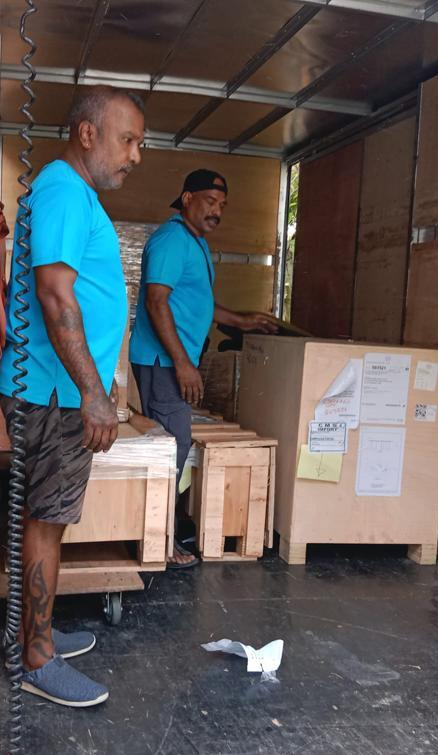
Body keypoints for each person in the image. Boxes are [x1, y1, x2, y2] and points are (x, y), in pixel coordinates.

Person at [0, 85, 145, 707]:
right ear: (88, 133)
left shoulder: (72, 194)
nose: (135, 155)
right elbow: (56, 296)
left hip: (56, 392)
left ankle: (39, 634)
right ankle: (35, 659)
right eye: (128, 139)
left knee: (45, 521)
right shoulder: (62, 188)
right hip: (53, 396)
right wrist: (94, 392)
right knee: (46, 522)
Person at [129, 170, 278, 568]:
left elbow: (196, 303)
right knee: (171, 447)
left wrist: (243, 321)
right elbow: (156, 302)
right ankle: (158, 542)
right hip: (163, 361)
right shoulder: (172, 240)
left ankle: (164, 532)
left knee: (174, 445)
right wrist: (182, 362)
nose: (217, 211)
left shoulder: (194, 243)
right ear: (187, 198)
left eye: (222, 206)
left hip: (171, 360)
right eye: (210, 202)